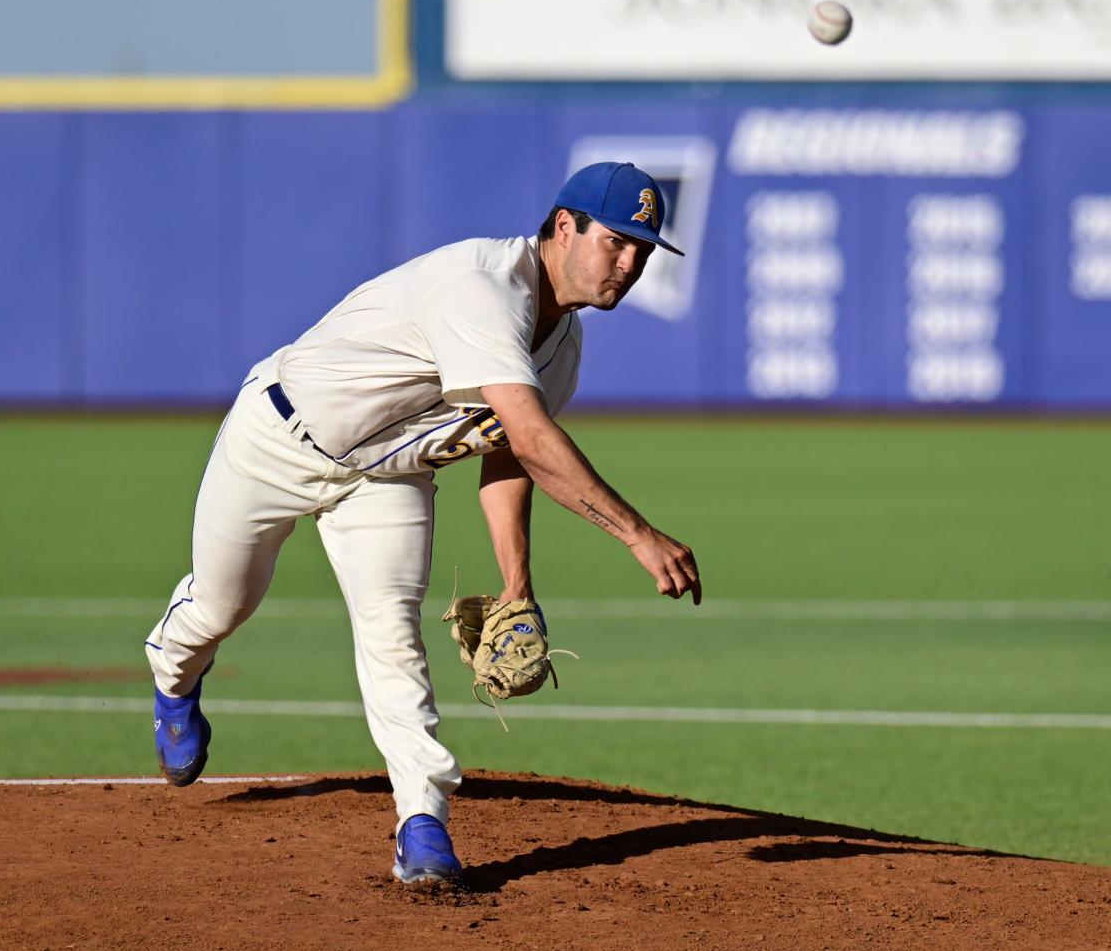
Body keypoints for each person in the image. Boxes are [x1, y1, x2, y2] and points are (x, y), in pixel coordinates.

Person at [146, 161, 702, 885]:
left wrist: (516, 584)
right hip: (281, 437)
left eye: (644, 250)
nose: (630, 263)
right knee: (224, 603)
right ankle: (174, 674)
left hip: (386, 477)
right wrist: (637, 534)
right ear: (564, 227)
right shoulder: (482, 287)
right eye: (617, 241)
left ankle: (423, 822)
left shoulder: (564, 346)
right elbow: (533, 437)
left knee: (393, 627)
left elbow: (508, 458)